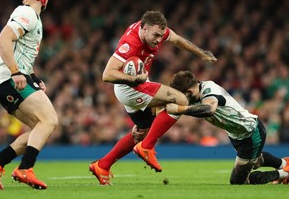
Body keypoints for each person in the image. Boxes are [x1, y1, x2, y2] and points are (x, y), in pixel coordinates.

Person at [89, 10, 217, 185]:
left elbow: (177, 39)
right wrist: (135, 79)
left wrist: (201, 53)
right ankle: (147, 147)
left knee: (143, 131)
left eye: (161, 35)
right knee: (180, 100)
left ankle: (102, 166)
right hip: (131, 87)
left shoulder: (155, 31)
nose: (159, 39)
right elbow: (107, 74)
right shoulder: (130, 44)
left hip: (137, 83)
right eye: (156, 35)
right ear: (143, 28)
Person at [0, 0, 58, 190]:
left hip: (9, 80)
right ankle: (25, 169)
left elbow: (23, 57)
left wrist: (33, 79)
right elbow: (2, 40)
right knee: (50, 120)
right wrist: (16, 73)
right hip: (9, 79)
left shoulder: (32, 17)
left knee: (39, 129)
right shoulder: (27, 13)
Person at [165, 70, 289, 184]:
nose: (183, 101)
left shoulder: (208, 91)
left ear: (189, 91)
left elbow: (209, 109)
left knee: (238, 181)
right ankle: (284, 163)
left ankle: (284, 173)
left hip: (250, 133)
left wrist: (179, 109)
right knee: (255, 161)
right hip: (238, 135)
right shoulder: (197, 93)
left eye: (183, 96)